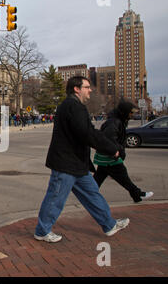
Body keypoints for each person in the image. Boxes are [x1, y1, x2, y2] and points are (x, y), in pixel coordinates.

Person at [34, 76, 129, 243]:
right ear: (77, 89)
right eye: (87, 87)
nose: (90, 90)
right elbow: (87, 134)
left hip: (78, 164)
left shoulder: (73, 106)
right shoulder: (73, 106)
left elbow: (88, 132)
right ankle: (42, 231)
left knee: (93, 195)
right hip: (66, 163)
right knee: (55, 199)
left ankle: (109, 225)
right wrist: (112, 149)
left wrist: (108, 146)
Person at [93, 100, 154, 203]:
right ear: (124, 112)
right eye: (131, 112)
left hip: (106, 157)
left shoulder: (117, 121)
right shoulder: (115, 122)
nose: (132, 114)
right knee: (123, 177)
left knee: (99, 179)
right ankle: (137, 194)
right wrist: (118, 150)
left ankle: (89, 196)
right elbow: (109, 138)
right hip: (110, 157)